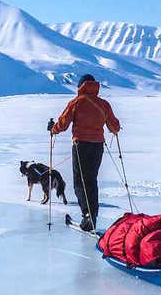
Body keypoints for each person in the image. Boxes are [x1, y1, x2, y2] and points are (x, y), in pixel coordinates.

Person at [50, 74, 120, 232]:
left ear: (81, 86)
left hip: (80, 145)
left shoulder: (76, 102)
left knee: (80, 182)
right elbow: (114, 126)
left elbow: (63, 123)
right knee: (91, 180)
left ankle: (88, 217)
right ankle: (92, 215)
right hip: (97, 146)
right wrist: (115, 128)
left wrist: (53, 129)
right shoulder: (103, 104)